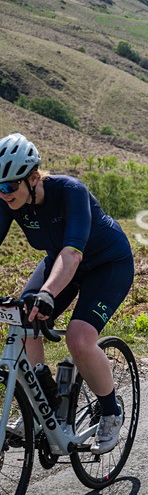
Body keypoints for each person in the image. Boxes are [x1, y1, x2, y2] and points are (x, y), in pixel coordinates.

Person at [0, 133, 133, 455]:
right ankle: (43, 400)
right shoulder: (9, 200)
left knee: (79, 338)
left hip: (106, 264)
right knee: (22, 321)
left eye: (9, 187)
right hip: (58, 262)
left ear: (33, 177)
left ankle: (111, 412)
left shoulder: (70, 191)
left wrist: (47, 293)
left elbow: (73, 253)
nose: (3, 194)